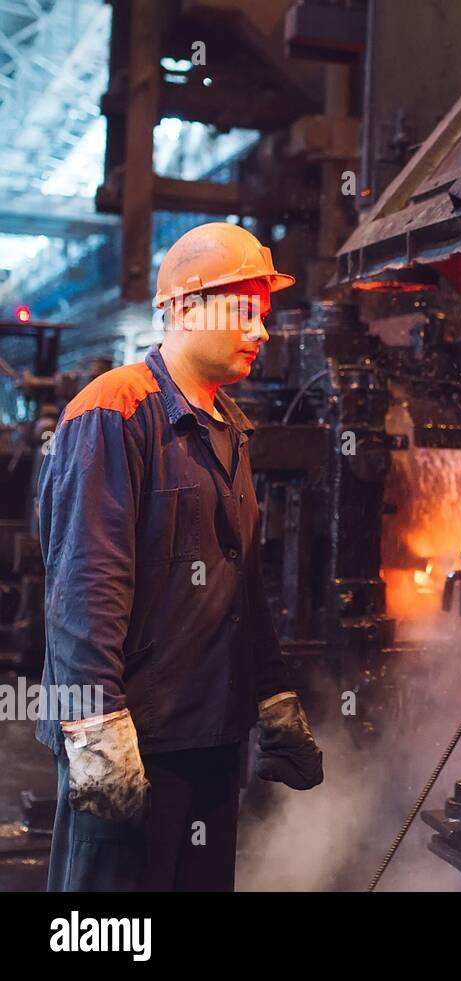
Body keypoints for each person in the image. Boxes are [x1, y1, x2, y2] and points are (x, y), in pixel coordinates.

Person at [37, 221, 324, 891]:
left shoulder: (232, 432)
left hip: (209, 740)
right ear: (186, 307)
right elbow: (84, 589)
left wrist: (273, 694)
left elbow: (242, 590)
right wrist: (97, 732)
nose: (262, 332)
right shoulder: (114, 411)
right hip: (131, 748)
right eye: (246, 312)